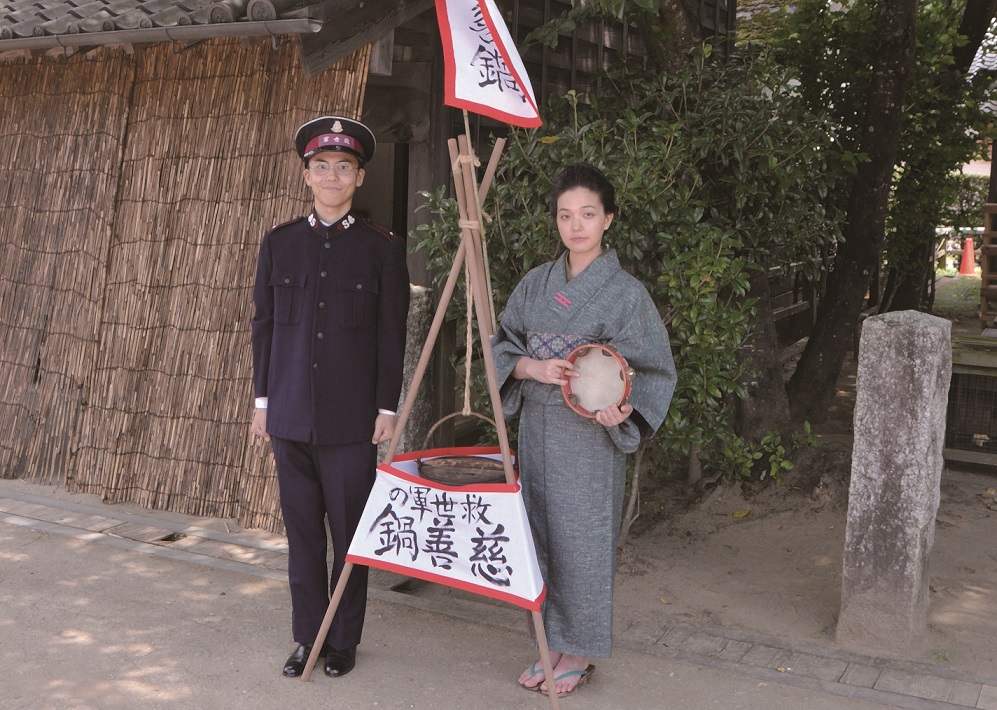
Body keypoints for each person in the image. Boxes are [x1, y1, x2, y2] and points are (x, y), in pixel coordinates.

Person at [491, 162, 676, 697]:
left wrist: (621, 409)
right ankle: (548, 643)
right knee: (538, 534)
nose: (576, 226)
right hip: (537, 429)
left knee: (582, 541)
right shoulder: (535, 284)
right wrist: (531, 369)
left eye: (588, 215)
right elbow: (503, 344)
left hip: (590, 438)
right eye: (566, 216)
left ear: (608, 220)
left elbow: (654, 369)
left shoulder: (625, 293)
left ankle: (578, 651)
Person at [250, 115, 410, 679]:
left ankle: (342, 642)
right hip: (289, 413)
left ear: (360, 177)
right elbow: (265, 326)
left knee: (349, 533)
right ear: (307, 175)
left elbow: (393, 335)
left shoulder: (381, 249)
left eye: (344, 167)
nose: (332, 176)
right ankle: (306, 638)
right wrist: (261, 403)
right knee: (300, 535)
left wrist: (387, 409)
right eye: (322, 167)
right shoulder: (280, 243)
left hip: (350, 420)